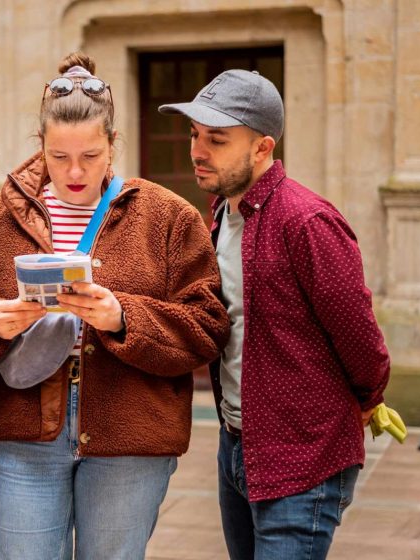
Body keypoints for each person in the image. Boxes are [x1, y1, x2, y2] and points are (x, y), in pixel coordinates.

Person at [0, 52, 229, 559]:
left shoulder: (167, 217)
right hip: (26, 430)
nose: (74, 171)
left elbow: (209, 326)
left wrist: (123, 317)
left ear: (113, 145)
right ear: (40, 145)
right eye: (59, 157)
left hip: (131, 434)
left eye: (91, 156)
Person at [159, 69, 391, 559]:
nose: (197, 152)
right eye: (195, 135)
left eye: (217, 141)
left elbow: (357, 332)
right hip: (236, 447)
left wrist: (371, 394)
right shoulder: (222, 214)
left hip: (302, 453)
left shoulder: (307, 221)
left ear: (262, 148)